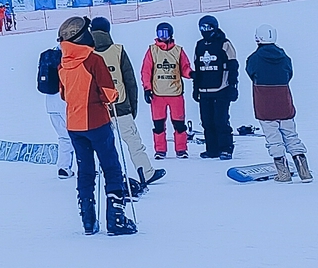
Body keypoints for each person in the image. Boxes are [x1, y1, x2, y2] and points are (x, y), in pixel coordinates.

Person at [36, 17, 135, 235]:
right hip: (97, 121)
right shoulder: (93, 60)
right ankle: (116, 218)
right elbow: (109, 93)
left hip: (74, 124)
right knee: (111, 166)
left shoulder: (63, 63)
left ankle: (88, 219)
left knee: (85, 169)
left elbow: (63, 93)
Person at [88, 17, 161, 190]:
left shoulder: (88, 53)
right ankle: (146, 172)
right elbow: (130, 81)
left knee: (102, 144)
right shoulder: (118, 50)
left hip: (99, 108)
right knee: (134, 142)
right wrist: (132, 107)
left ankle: (103, 174)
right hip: (121, 106)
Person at [245, 25, 310, 183]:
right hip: (284, 101)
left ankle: (283, 173)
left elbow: (251, 73)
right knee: (291, 135)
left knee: (273, 137)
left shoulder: (253, 58)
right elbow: (289, 74)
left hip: (264, 104)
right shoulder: (284, 57)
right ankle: (304, 171)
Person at [191, 16, 241, 161]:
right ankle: (211, 149)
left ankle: (226, 148)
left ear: (214, 27)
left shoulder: (224, 43)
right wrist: (195, 88)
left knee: (221, 120)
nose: (205, 31)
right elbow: (197, 68)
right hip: (204, 90)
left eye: (208, 27)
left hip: (222, 89)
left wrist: (233, 86)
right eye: (202, 28)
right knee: (206, 121)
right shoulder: (199, 45)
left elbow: (233, 65)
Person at [140, 22, 191, 159]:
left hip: (175, 93)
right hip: (158, 94)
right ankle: (160, 150)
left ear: (170, 34)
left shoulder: (178, 50)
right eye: (159, 34)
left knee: (179, 124)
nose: (162, 37)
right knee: (158, 125)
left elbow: (184, 67)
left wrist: (191, 74)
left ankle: (181, 149)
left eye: (165, 33)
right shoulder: (152, 50)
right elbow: (146, 71)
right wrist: (147, 89)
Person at [36, 48, 77, 179]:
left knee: (64, 137)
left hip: (50, 102)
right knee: (80, 135)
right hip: (64, 101)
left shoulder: (47, 56)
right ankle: (88, 167)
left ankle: (63, 168)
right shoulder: (66, 56)